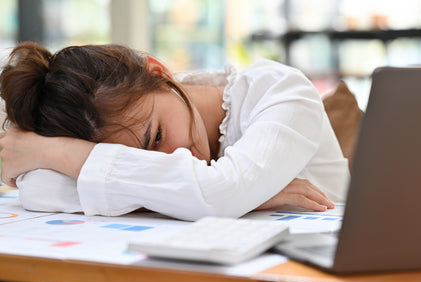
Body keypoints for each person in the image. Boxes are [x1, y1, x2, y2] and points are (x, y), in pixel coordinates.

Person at [0, 41, 349, 221]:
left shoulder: (279, 90)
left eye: (156, 137)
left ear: (158, 72)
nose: (172, 159)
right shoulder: (154, 116)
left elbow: (220, 193)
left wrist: (54, 153)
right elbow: (40, 189)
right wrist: (245, 197)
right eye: (133, 158)